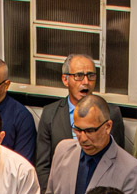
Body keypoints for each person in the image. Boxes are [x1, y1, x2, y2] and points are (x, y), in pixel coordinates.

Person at [42, 94, 137, 194]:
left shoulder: (131, 169)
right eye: (77, 130)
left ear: (108, 127)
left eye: (90, 131)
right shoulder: (62, 150)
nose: (83, 138)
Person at [33, 55, 127, 185]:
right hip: (61, 188)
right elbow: (43, 166)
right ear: (65, 80)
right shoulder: (50, 113)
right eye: (79, 76)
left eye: (91, 75)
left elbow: (117, 163)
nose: (86, 82)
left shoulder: (111, 114)